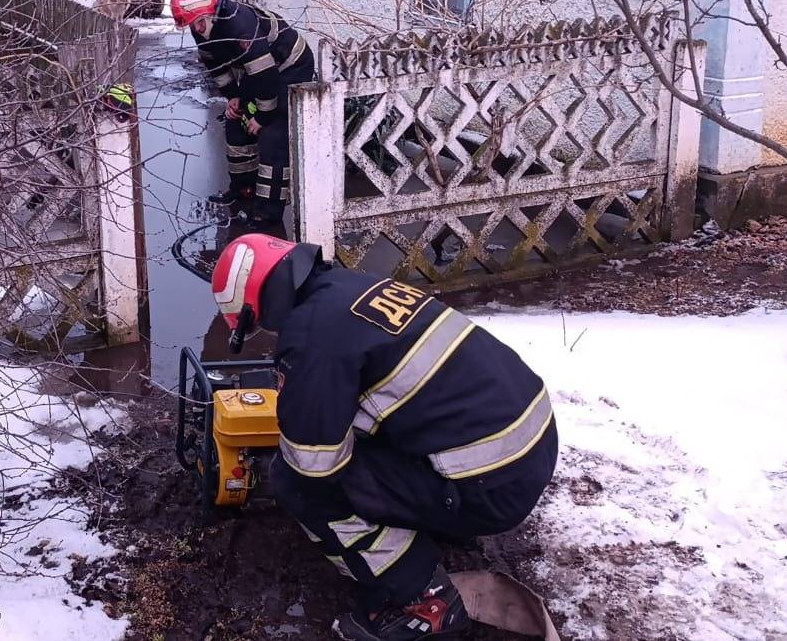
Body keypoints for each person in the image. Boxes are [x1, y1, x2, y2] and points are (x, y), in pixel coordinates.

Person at [209, 234, 558, 641]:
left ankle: (425, 599)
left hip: (491, 488)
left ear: (257, 305)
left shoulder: (309, 332)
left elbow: (312, 466)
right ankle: (438, 519)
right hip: (530, 448)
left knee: (296, 482)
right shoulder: (355, 287)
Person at [169, 0, 314, 228]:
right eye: (192, 24)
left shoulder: (240, 25)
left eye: (199, 22)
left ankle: (268, 214)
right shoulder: (200, 26)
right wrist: (233, 96)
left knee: (273, 134)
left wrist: (263, 117)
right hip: (256, 69)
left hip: (290, 66)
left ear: (210, 11)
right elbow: (215, 65)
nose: (196, 28)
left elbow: (265, 77)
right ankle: (243, 188)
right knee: (235, 121)